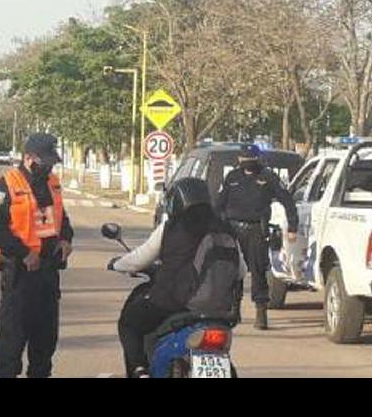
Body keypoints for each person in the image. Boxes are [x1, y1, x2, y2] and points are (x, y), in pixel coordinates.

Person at [109, 177, 246, 378]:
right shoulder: (226, 229)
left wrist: (117, 264)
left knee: (129, 323)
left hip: (175, 303)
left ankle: (140, 370)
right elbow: (241, 270)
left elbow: (139, 259)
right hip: (221, 311)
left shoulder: (171, 227)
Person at [0, 133, 74, 378]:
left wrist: (66, 239)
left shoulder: (51, 182)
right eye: (44, 161)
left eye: (51, 162)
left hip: (47, 273)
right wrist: (24, 253)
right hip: (19, 275)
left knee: (45, 342)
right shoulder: (7, 184)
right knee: (12, 343)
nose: (48, 166)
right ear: (28, 158)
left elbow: (62, 219)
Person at [216, 144, 298, 330]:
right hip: (233, 230)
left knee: (258, 271)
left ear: (257, 159)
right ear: (239, 160)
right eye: (244, 159)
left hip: (256, 230)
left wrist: (292, 227)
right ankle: (233, 309)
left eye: (251, 159)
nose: (247, 163)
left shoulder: (267, 177)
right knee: (233, 271)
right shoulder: (232, 177)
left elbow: (287, 201)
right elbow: (219, 204)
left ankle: (261, 312)